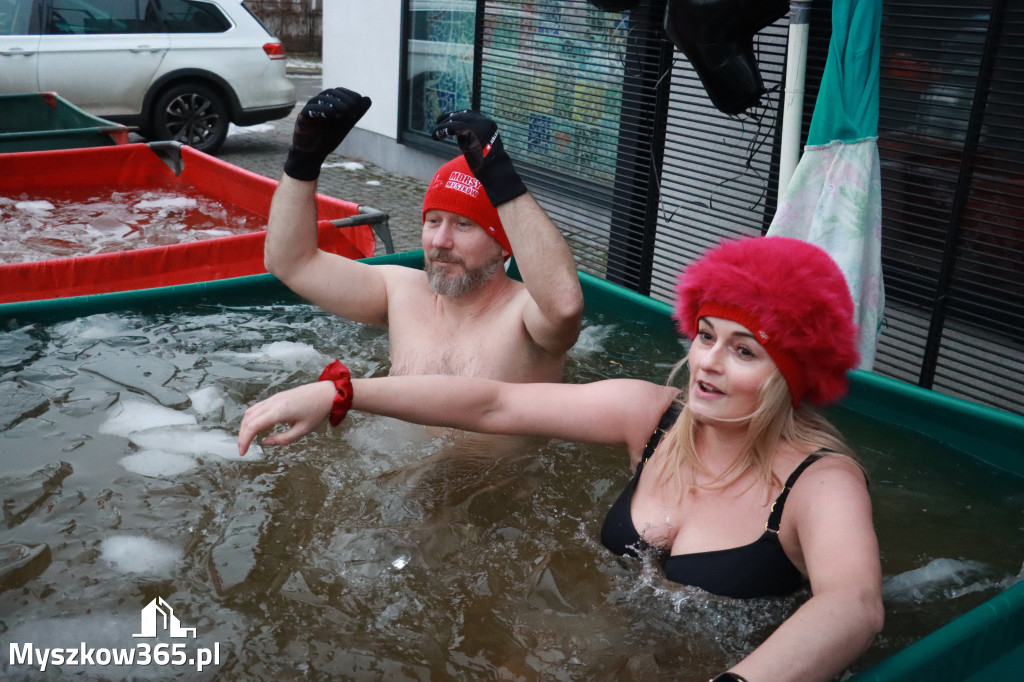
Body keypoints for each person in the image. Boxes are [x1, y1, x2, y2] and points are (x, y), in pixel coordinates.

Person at [237, 236, 884, 681]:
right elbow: (496, 405)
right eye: (708, 336)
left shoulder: (819, 482)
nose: (709, 362)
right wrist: (339, 392)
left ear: (793, 372)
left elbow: (852, 607)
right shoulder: (657, 417)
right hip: (594, 641)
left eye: (745, 351)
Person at [264, 87, 583, 385]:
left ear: (503, 246)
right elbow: (291, 263)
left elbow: (564, 307)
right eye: (433, 221)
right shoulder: (400, 294)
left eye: (463, 225)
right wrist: (302, 163)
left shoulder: (525, 317)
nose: (440, 241)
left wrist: (501, 177)